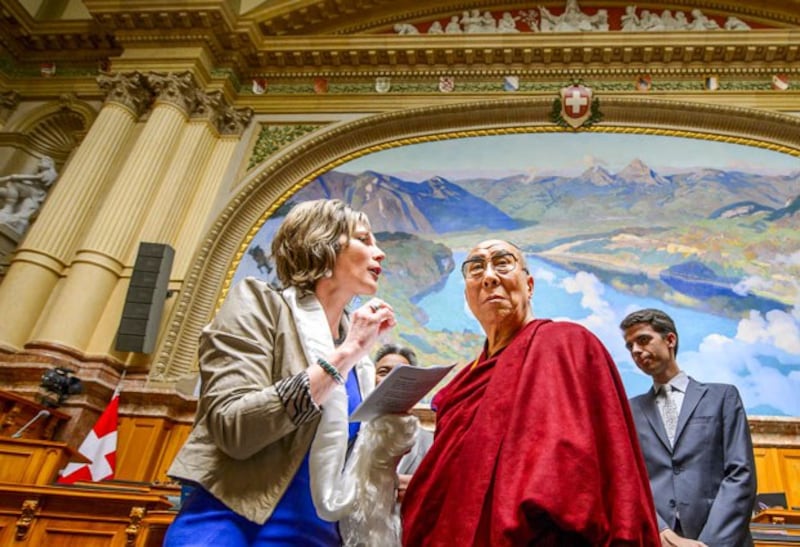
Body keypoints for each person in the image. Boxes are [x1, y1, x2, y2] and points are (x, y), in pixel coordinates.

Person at [166, 199, 412, 546]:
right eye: (364, 239)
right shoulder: (259, 304)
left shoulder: (362, 361)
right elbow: (234, 426)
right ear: (323, 245)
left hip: (319, 536)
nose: (380, 252)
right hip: (234, 526)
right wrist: (344, 354)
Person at [402, 239, 660, 546]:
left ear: (530, 285)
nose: (489, 276)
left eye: (502, 263)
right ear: (468, 295)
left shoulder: (566, 345)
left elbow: (587, 470)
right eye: (476, 268)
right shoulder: (462, 386)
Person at [620, 308, 757, 547]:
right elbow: (631, 482)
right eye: (630, 346)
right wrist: (662, 533)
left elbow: (740, 473)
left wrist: (710, 544)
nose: (636, 351)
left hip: (723, 540)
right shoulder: (629, 411)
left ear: (670, 340)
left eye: (643, 340)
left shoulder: (722, 397)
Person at [373, 343, 434, 502]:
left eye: (402, 375)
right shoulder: (350, 433)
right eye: (384, 372)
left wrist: (418, 489)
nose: (391, 380)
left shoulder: (431, 443)